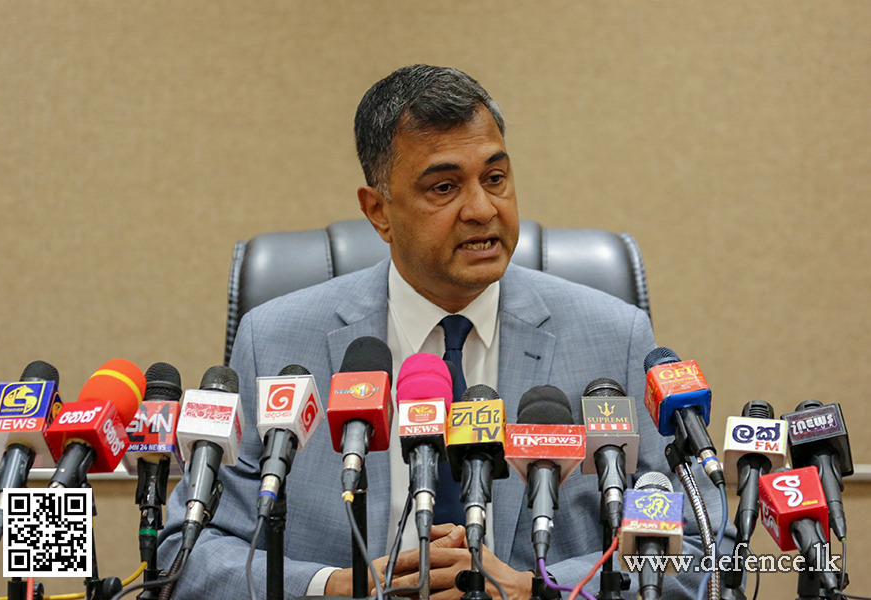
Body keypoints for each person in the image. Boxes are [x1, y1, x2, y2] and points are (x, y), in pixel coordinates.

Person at [158, 64, 724, 599]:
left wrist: (541, 589)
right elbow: (187, 553)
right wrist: (335, 586)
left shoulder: (614, 337)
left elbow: (704, 540)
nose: (482, 209)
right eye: (444, 188)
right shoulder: (276, 341)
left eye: (496, 178)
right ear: (378, 211)